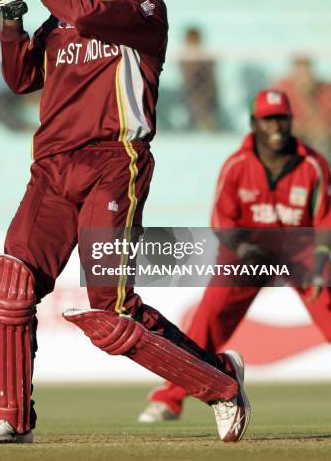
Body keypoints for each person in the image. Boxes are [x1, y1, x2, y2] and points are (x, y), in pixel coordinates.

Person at [0, 0, 250, 443]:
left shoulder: (144, 13)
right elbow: (19, 79)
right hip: (51, 169)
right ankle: (10, 417)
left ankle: (221, 385)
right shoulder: (57, 26)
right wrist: (12, 17)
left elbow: (83, 10)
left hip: (114, 162)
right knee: (10, 286)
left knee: (111, 307)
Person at [139, 89, 331, 422]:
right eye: (268, 119)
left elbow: (324, 219)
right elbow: (222, 220)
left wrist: (320, 262)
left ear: (290, 121)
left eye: (282, 119)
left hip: (298, 253)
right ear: (254, 123)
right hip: (245, 253)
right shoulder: (238, 165)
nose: (276, 126)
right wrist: (245, 250)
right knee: (207, 322)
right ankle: (168, 399)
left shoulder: (312, 165)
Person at [272, 56, 331, 161]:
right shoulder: (282, 89)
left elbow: (325, 125)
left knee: (321, 140)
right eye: (300, 73)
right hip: (293, 138)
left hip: (320, 141)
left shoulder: (325, 90)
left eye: (306, 73)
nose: (304, 78)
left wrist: (309, 98)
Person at [177, 26, 222, 131]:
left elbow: (211, 77)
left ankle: (206, 122)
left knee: (203, 96)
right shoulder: (183, 57)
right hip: (190, 90)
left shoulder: (206, 57)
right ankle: (204, 122)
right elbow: (187, 78)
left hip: (206, 89)